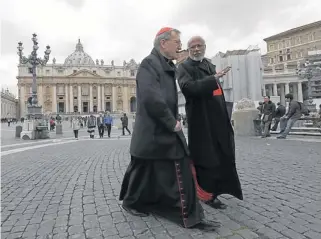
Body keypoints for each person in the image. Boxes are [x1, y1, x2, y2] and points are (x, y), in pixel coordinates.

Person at [119, 28, 218, 231]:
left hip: (157, 130)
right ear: (163, 43)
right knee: (176, 165)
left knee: (144, 168)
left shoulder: (164, 64)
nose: (180, 46)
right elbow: (150, 97)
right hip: (157, 128)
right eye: (177, 41)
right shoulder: (149, 64)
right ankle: (189, 215)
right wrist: (171, 121)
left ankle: (133, 201)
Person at [177, 36, 243, 210]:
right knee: (206, 156)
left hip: (218, 117)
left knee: (222, 152)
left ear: (204, 47)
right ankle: (206, 194)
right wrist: (213, 78)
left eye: (200, 46)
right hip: (201, 120)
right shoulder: (183, 67)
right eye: (193, 47)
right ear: (188, 49)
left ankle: (219, 188)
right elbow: (188, 88)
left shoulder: (208, 64)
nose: (197, 49)